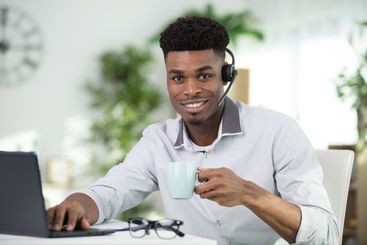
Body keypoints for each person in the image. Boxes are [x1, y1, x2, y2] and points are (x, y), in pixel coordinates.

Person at [47, 16, 339, 244]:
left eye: (203, 75)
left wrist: (250, 194)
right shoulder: (157, 141)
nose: (190, 90)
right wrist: (76, 204)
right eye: (177, 78)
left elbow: (326, 235)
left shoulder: (278, 131)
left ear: (226, 75)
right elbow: (111, 191)